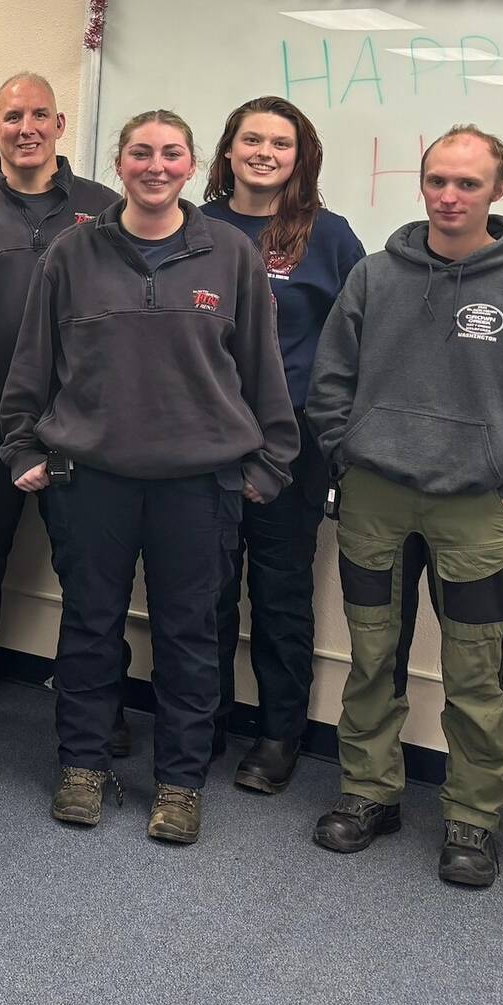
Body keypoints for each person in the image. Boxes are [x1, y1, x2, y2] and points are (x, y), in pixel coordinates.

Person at [2, 110, 296, 847]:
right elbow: (32, 364)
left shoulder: (230, 254)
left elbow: (263, 370)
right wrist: (21, 448)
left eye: (170, 153)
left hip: (199, 485)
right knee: (89, 629)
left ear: (194, 164)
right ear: (120, 162)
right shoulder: (73, 252)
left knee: (191, 636)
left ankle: (180, 781)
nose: (155, 165)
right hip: (90, 479)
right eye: (140, 152)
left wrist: (267, 463)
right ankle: (82, 766)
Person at [305, 126, 503, 889]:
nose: (449, 196)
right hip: (375, 499)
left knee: (474, 672)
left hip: (473, 509)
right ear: (421, 183)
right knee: (371, 657)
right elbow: (329, 384)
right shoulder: (373, 275)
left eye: (467, 183)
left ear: (498, 190)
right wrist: (349, 453)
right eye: (437, 180)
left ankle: (473, 815)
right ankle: (368, 793)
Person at [0, 71, 120, 745]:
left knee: (89, 566)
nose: (26, 128)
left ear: (61, 126)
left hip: (79, 421)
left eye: (40, 115)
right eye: (13, 117)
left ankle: (101, 701)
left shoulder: (105, 209)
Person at [200, 97, 365, 792]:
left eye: (282, 143)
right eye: (252, 139)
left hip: (288, 442)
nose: (265, 151)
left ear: (302, 157)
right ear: (229, 149)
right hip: (198, 436)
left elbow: (361, 343)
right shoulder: (193, 226)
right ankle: (200, 717)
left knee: (279, 590)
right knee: (199, 588)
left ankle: (277, 735)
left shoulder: (328, 237)